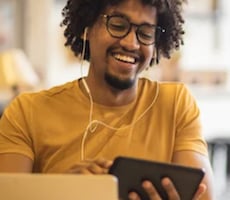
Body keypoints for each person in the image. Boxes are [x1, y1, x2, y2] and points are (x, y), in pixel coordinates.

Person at [0, 0, 214, 199]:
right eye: (118, 25)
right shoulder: (27, 112)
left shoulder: (176, 104)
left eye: (146, 33)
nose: (132, 44)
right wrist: (64, 190)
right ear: (87, 27)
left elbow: (203, 194)